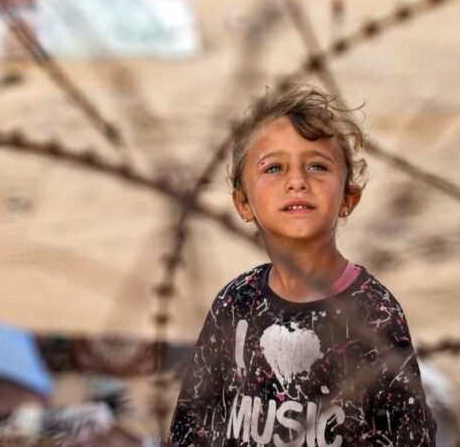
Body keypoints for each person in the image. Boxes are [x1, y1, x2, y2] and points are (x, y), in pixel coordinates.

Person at [169, 85, 436, 446]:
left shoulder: (373, 314)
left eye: (317, 166)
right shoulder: (235, 304)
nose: (297, 181)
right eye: (274, 168)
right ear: (243, 203)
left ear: (349, 198)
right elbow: (190, 427)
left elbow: (409, 438)